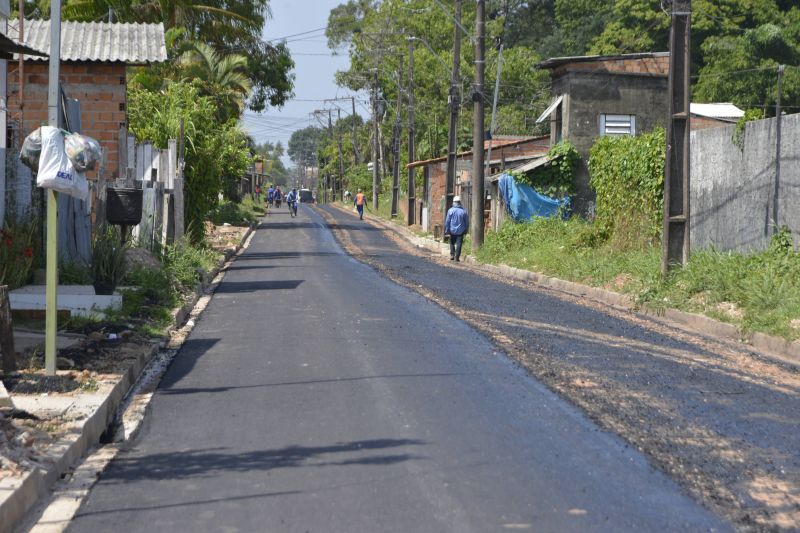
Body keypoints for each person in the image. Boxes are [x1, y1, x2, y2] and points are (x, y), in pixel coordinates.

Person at [444, 195, 469, 262]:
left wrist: (447, 229)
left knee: (452, 242)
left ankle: (452, 255)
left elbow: (447, 221)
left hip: (452, 230)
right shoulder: (463, 211)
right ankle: (457, 257)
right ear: (460, 202)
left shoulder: (450, 210)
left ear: (453, 202)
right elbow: (466, 222)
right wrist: (466, 229)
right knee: (459, 244)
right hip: (460, 231)